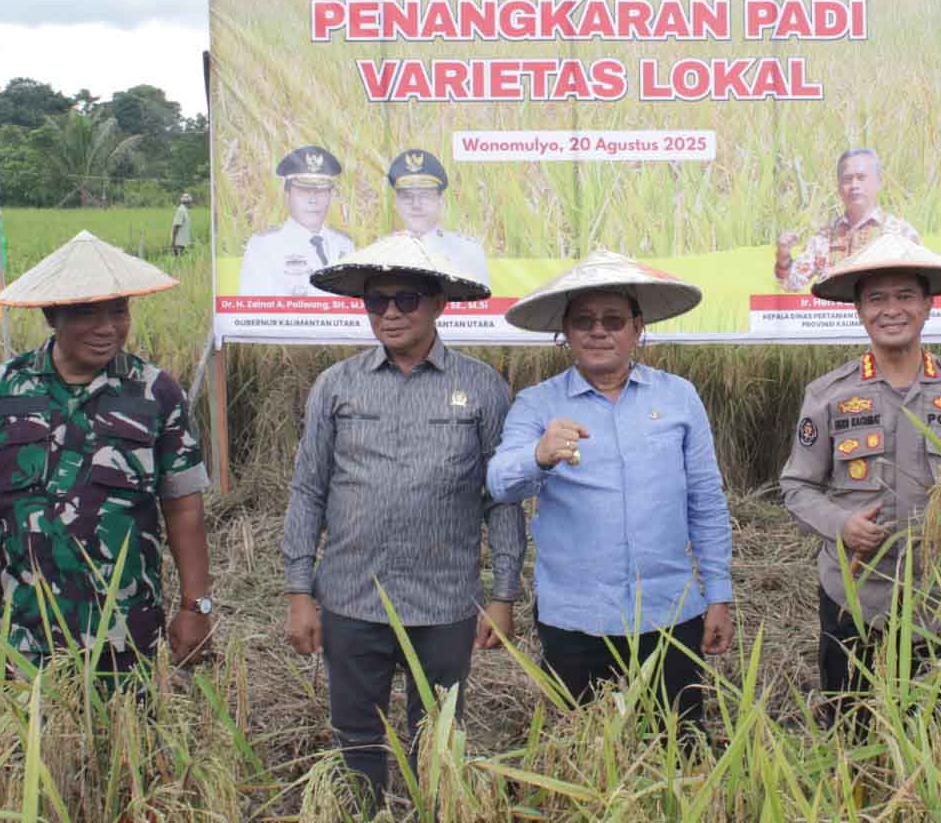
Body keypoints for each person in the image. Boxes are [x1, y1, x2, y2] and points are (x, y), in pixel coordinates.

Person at [284, 233, 523, 809]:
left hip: (443, 603)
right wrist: (298, 591)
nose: (390, 313)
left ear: (439, 304)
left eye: (406, 299)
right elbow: (309, 489)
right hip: (351, 596)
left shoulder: (482, 386)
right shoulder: (337, 385)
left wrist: (504, 594)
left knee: (437, 739)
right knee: (356, 736)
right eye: (377, 301)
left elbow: (502, 498)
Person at [0, 232, 214, 677]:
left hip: (125, 633)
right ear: (52, 315)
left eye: (119, 311)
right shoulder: (1, 389)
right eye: (87, 312)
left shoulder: (155, 392)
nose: (107, 327)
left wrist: (196, 605)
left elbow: (184, 507)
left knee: (128, 726)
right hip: (23, 631)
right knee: (24, 726)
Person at [487, 250, 734, 727]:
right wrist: (538, 455)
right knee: (577, 745)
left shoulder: (678, 396)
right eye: (584, 321)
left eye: (613, 320)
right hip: (575, 616)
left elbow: (706, 500)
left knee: (679, 744)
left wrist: (718, 595)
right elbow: (499, 482)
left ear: (637, 328)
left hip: (669, 611)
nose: (598, 331)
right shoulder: (538, 404)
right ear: (566, 332)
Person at [778, 232, 941, 727]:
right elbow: (797, 486)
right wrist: (842, 525)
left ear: (928, 305)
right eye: (876, 299)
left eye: (905, 296)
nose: (891, 310)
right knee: (852, 729)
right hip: (855, 598)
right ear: (859, 310)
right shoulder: (829, 394)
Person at [775, 147, 923, 291]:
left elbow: (921, 284)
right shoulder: (824, 237)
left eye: (861, 178)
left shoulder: (900, 233)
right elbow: (791, 284)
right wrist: (783, 255)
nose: (854, 185)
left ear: (879, 183)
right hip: (834, 307)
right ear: (839, 187)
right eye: (847, 179)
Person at [238, 145, 354, 296]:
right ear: (287, 195)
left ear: (330, 195)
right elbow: (254, 305)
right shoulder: (265, 245)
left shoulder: (344, 244)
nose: (313, 200)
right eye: (304, 191)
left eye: (321, 191)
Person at [387, 148, 490, 285]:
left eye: (425, 196)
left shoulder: (468, 251)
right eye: (407, 196)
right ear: (396, 202)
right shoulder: (382, 251)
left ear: (441, 201)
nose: (416, 204)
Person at [170, 191, 193, 255]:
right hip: (179, 244)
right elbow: (176, 226)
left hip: (183, 244)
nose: (191, 204)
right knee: (178, 259)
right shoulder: (181, 210)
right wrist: (173, 243)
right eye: (190, 202)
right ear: (187, 202)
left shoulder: (185, 211)